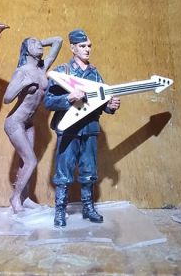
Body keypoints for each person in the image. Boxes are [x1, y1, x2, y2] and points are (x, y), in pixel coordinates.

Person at [44, 29, 121, 227]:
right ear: (73, 48)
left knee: (89, 170)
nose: (87, 49)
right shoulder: (63, 72)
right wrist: (68, 98)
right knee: (64, 171)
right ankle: (60, 210)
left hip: (90, 128)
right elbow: (48, 101)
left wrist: (110, 106)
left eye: (89, 46)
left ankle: (88, 207)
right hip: (69, 129)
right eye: (82, 46)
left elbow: (101, 101)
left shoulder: (95, 74)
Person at [3, 36, 64, 213]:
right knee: (30, 161)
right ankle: (15, 198)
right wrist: (23, 84)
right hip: (15, 122)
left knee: (25, 162)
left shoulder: (41, 68)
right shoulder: (22, 72)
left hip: (29, 123)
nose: (39, 45)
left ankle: (25, 198)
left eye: (39, 43)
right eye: (33, 43)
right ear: (26, 50)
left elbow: (58, 41)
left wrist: (38, 44)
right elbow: (7, 98)